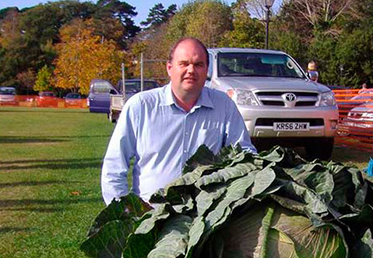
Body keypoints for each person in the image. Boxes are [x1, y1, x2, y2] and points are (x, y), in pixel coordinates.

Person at [101, 37, 257, 205]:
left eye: (198, 65)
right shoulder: (141, 106)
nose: (191, 70)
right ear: (169, 68)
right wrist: (127, 213)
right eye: (184, 64)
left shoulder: (224, 106)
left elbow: (244, 154)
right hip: (151, 217)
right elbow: (114, 167)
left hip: (206, 217)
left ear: (207, 70)